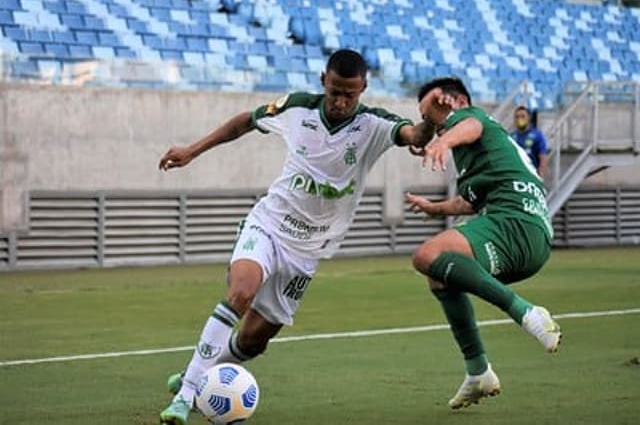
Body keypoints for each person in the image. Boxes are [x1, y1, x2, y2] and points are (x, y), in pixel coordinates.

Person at [157, 49, 434, 424]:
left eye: (349, 94)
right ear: (323, 80)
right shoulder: (297, 108)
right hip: (269, 224)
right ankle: (186, 395)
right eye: (335, 91)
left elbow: (413, 134)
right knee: (241, 292)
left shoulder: (374, 125)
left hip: (306, 251)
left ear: (363, 89)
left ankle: (202, 373)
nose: (340, 101)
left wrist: (430, 123)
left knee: (254, 341)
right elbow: (244, 122)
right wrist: (192, 150)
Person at [405, 77, 561, 410]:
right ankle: (478, 372)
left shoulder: (468, 117)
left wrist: (443, 142)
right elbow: (469, 203)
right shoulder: (485, 152)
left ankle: (526, 312)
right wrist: (435, 209)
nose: (428, 123)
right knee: (439, 273)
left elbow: (472, 124)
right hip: (533, 237)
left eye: (429, 111)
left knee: (427, 255)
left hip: (514, 222)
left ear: (452, 100)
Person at [511, 105, 549, 176]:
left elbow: (543, 158)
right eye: (517, 117)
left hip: (531, 176)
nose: (519, 119)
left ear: (529, 118)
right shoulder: (511, 136)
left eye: (523, 116)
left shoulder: (537, 135)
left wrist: (540, 175)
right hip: (516, 176)